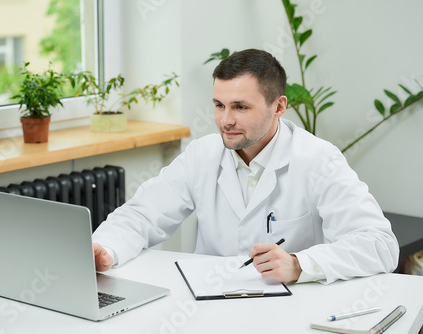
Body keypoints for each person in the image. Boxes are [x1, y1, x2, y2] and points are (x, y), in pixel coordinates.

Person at [92, 48, 399, 284]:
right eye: (219, 105)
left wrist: (299, 264)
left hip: (289, 308)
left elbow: (380, 245)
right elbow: (143, 215)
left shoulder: (318, 159)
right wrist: (106, 249)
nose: (226, 120)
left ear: (278, 106)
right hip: (207, 305)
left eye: (240, 107)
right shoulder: (203, 155)